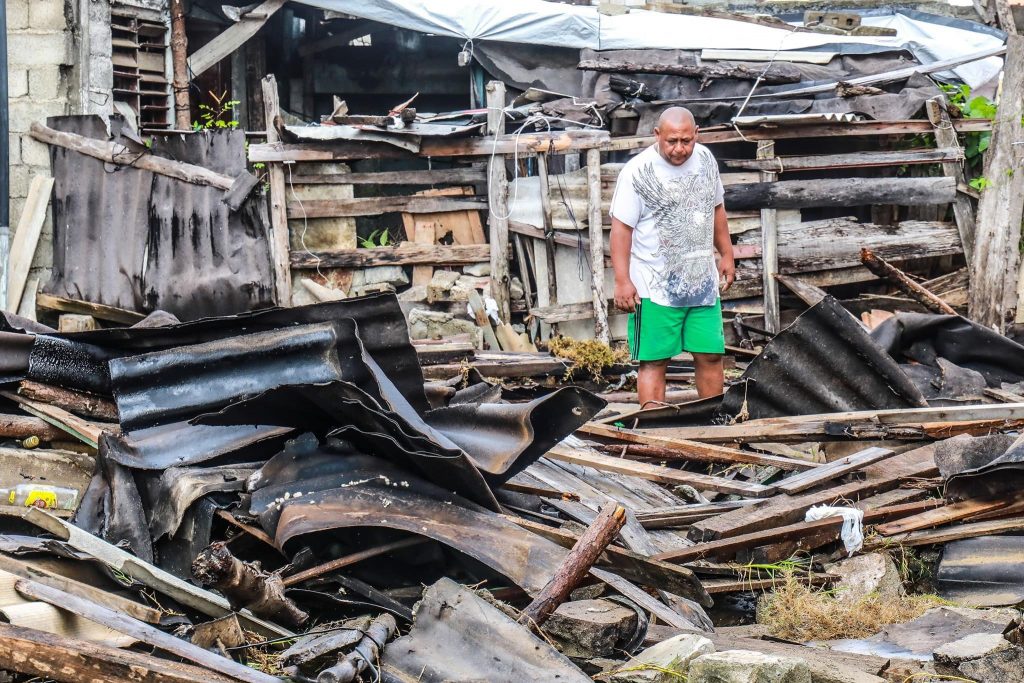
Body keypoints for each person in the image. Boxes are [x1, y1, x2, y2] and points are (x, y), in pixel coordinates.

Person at [609, 106, 734, 408]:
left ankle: (713, 423)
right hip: (654, 287)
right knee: (654, 360)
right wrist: (623, 281)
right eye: (672, 141)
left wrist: (727, 254)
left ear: (696, 136)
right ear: (657, 135)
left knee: (710, 354)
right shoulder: (636, 172)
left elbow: (716, 209)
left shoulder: (705, 160)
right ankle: (654, 432)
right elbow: (621, 229)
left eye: (686, 141)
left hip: (701, 283)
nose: (679, 148)